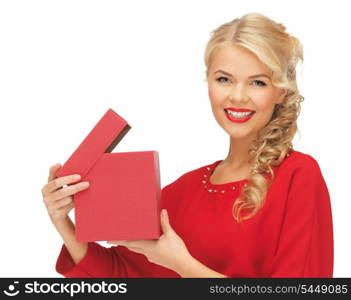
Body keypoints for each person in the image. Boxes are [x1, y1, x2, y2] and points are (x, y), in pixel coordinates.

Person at [41, 12, 333, 278]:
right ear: (208, 83)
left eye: (257, 82)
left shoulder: (298, 175)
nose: (238, 96)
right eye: (224, 79)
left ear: (281, 92)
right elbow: (122, 274)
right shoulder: (184, 191)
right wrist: (62, 220)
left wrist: (181, 264)